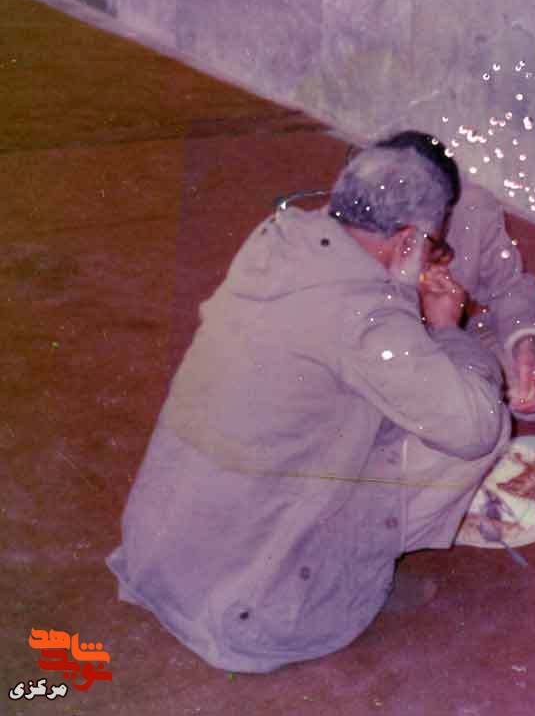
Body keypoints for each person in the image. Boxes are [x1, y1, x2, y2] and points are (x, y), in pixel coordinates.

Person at [107, 145, 509, 672]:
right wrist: (445, 330)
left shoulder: (279, 239)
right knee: (486, 420)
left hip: (161, 559)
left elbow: (329, 340)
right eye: (431, 243)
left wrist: (400, 301)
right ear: (409, 239)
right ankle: (348, 573)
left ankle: (329, 553)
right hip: (247, 612)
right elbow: (474, 427)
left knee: (372, 408)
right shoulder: (365, 319)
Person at [373, 131, 535, 423]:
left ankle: (481, 394)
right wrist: (416, 298)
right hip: (386, 350)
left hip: (457, 344)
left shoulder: (473, 207)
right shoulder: (359, 223)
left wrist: (525, 348)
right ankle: (475, 399)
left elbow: (510, 287)